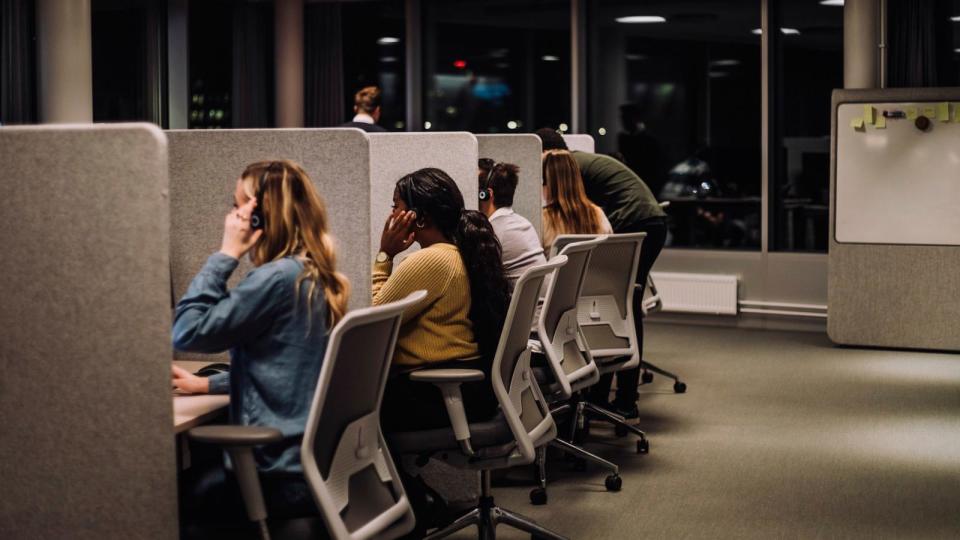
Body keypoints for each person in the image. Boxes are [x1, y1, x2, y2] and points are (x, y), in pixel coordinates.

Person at [170, 160, 350, 532]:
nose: (232, 215)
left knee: (166, 496)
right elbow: (293, 367)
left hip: (276, 470)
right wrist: (209, 384)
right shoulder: (310, 272)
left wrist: (225, 254)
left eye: (238, 206)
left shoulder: (276, 280)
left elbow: (186, 333)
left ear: (259, 216)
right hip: (311, 461)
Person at [372, 168, 510, 534]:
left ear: (418, 217)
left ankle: (413, 508)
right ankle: (416, 502)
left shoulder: (430, 260)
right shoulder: (456, 253)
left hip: (445, 394)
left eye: (395, 207)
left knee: (349, 415)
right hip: (468, 390)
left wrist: (384, 255)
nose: (391, 215)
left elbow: (375, 321)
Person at [536, 127, 667, 419]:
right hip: (649, 220)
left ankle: (619, 397)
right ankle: (612, 396)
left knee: (621, 302)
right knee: (621, 301)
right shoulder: (580, 164)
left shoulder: (566, 166)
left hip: (637, 220)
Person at [478, 158, 547, 291]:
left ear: (485, 195)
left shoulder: (493, 233)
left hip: (521, 311)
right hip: (538, 310)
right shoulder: (523, 223)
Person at [540, 149, 613, 252]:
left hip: (558, 269)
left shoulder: (542, 219)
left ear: (548, 183)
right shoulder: (597, 214)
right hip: (595, 268)